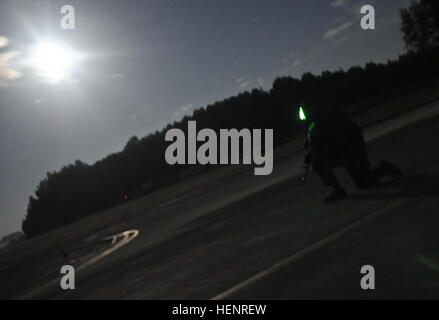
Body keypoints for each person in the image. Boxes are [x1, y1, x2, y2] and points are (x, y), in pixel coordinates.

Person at [300, 103, 402, 203]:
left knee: (318, 162)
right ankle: (381, 170)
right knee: (363, 182)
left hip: (349, 151)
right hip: (350, 151)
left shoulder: (319, 126)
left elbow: (319, 150)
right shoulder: (331, 117)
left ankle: (338, 190)